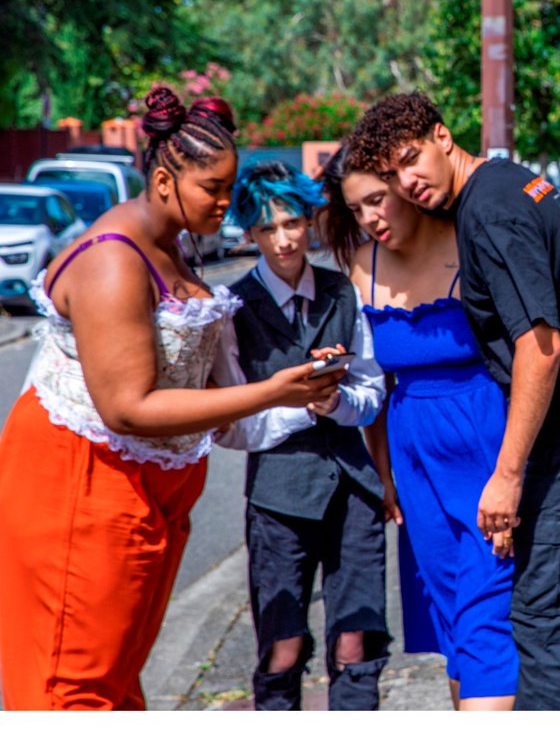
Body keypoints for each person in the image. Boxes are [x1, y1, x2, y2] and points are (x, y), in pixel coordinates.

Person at [0, 87, 340, 711]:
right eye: (214, 187)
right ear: (163, 180)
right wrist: (269, 392)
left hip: (147, 486)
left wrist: (291, 392)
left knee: (118, 673)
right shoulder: (114, 260)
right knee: (72, 683)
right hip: (84, 481)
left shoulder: (174, 241)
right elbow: (126, 408)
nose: (227, 202)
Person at [344, 94, 560, 710]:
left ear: (442, 134)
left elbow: (541, 347)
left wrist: (507, 476)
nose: (408, 182)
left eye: (411, 160)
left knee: (546, 627)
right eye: (393, 175)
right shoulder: (517, 183)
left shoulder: (488, 210)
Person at [321, 147, 518, 710]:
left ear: (404, 187)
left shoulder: (470, 240)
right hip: (415, 466)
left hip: (487, 448)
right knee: (454, 622)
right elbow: (376, 391)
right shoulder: (363, 266)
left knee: (488, 623)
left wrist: (513, 471)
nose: (369, 219)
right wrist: (386, 477)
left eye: (377, 200)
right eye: (356, 209)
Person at [211, 160, 390, 711]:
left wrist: (337, 402)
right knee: (282, 647)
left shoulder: (343, 293)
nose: (284, 240)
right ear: (250, 233)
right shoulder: (233, 308)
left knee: (356, 643)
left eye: (292, 223)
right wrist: (300, 407)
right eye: (268, 228)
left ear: (310, 222)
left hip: (353, 491)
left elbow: (373, 390)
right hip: (277, 499)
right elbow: (230, 425)